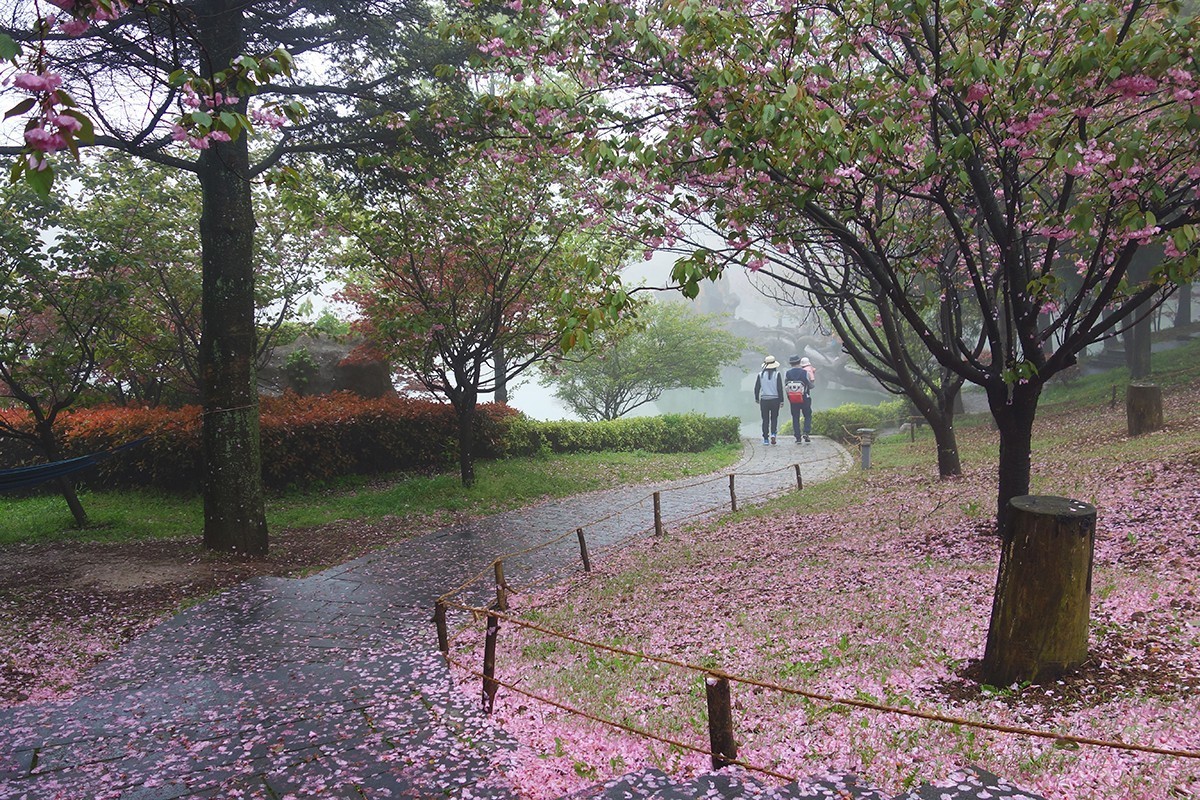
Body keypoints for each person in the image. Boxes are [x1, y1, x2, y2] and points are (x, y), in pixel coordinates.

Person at [753, 355, 784, 445]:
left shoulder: (760, 375)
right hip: (775, 399)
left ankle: (765, 438)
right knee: (774, 418)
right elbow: (779, 388)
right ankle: (773, 433)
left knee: (765, 419)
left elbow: (757, 388)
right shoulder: (777, 374)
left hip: (764, 400)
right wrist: (781, 400)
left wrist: (756, 398)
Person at [785, 354, 815, 443]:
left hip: (793, 399)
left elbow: (786, 386)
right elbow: (810, 385)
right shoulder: (804, 372)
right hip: (805, 397)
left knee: (795, 417)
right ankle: (806, 432)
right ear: (799, 362)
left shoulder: (788, 373)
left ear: (791, 363)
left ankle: (798, 437)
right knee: (807, 415)